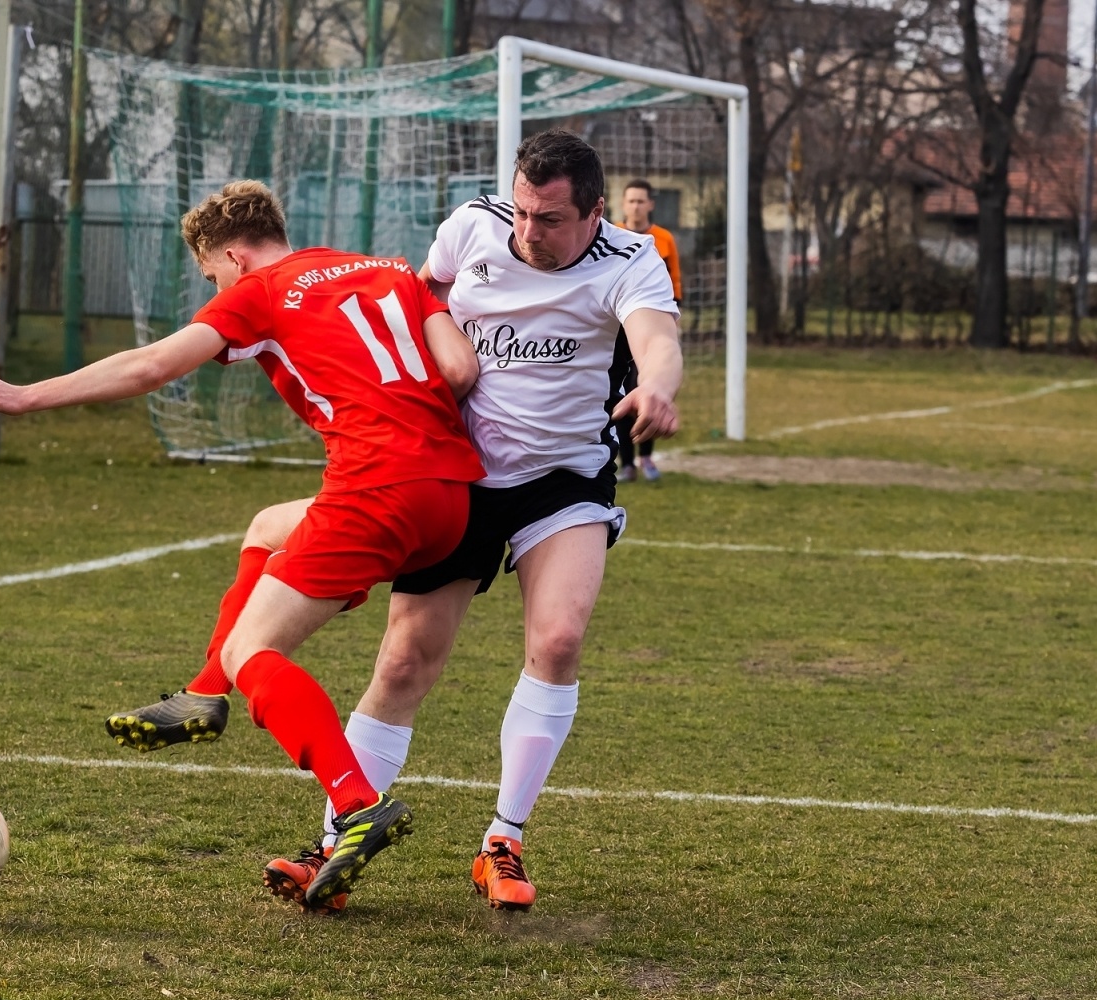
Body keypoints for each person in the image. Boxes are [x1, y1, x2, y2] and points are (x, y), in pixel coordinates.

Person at [114, 131, 683, 914]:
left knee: (557, 639)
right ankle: (334, 845)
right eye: (520, 211)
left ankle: (503, 841)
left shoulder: (631, 259)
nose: (527, 232)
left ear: (593, 212)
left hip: (563, 479)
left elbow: (657, 338)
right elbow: (415, 305)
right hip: (462, 472)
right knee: (404, 662)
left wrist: (656, 386)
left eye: (549, 219)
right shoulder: (471, 227)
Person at [0, 180, 486, 911]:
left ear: (234, 257)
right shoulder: (388, 270)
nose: (214, 292)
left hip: (375, 488)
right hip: (455, 495)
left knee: (256, 654)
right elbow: (461, 370)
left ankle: (355, 803)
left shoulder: (262, 289)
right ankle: (203, 696)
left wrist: (27, 395)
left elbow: (152, 365)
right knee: (268, 526)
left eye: (211, 279)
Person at [614, 178, 682, 483]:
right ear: (623, 204)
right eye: (631, 201)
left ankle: (646, 457)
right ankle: (626, 461)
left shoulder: (664, 240)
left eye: (641, 201)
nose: (636, 206)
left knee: (649, 387)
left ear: (650, 204)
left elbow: (674, 283)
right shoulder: (612, 235)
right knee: (621, 392)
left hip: (650, 327)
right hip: (617, 332)